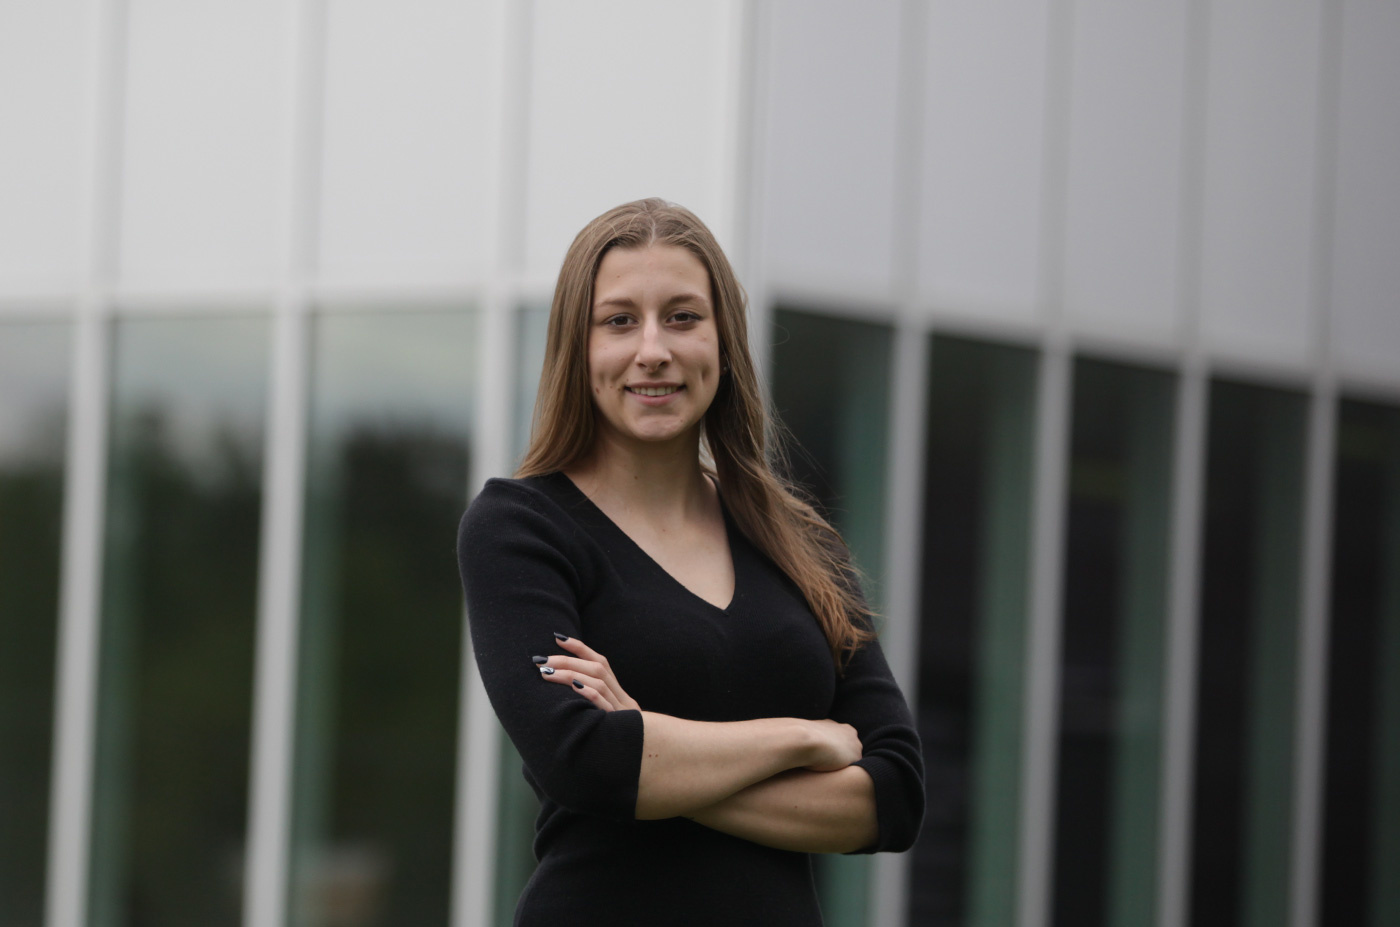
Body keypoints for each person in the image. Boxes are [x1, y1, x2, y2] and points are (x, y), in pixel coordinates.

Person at [457, 198, 924, 926]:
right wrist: (800, 738)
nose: (653, 349)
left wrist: (646, 743)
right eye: (619, 321)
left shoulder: (800, 542)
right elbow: (580, 760)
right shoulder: (520, 529)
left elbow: (892, 798)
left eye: (682, 317)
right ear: (577, 348)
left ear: (724, 341)